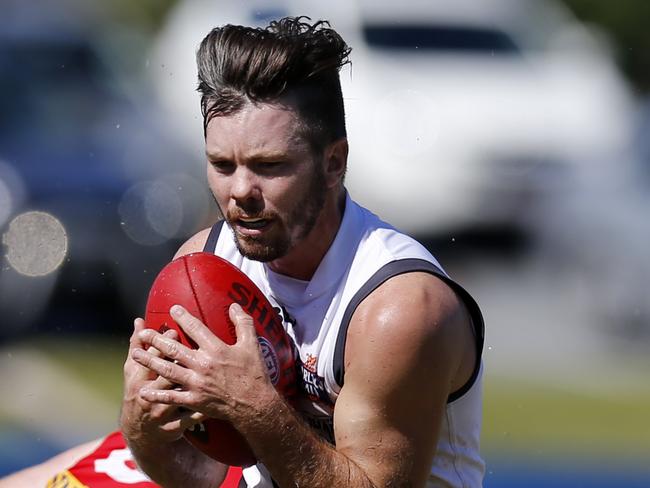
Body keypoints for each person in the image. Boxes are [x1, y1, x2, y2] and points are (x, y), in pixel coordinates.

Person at [1, 16, 485, 488]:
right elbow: (200, 475)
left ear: (334, 162)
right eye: (222, 164)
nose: (240, 191)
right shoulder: (203, 264)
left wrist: (251, 404)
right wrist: (144, 428)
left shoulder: (397, 310)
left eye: (269, 165)